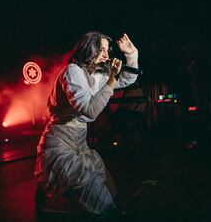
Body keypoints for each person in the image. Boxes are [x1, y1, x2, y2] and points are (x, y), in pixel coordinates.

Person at [34, 31, 139, 216]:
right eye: (102, 49)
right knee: (104, 205)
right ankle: (49, 205)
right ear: (89, 48)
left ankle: (53, 204)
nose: (107, 55)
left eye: (108, 50)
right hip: (61, 145)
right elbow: (90, 110)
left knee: (112, 192)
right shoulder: (73, 71)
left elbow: (128, 79)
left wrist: (132, 54)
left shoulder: (97, 75)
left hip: (80, 144)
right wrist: (112, 79)